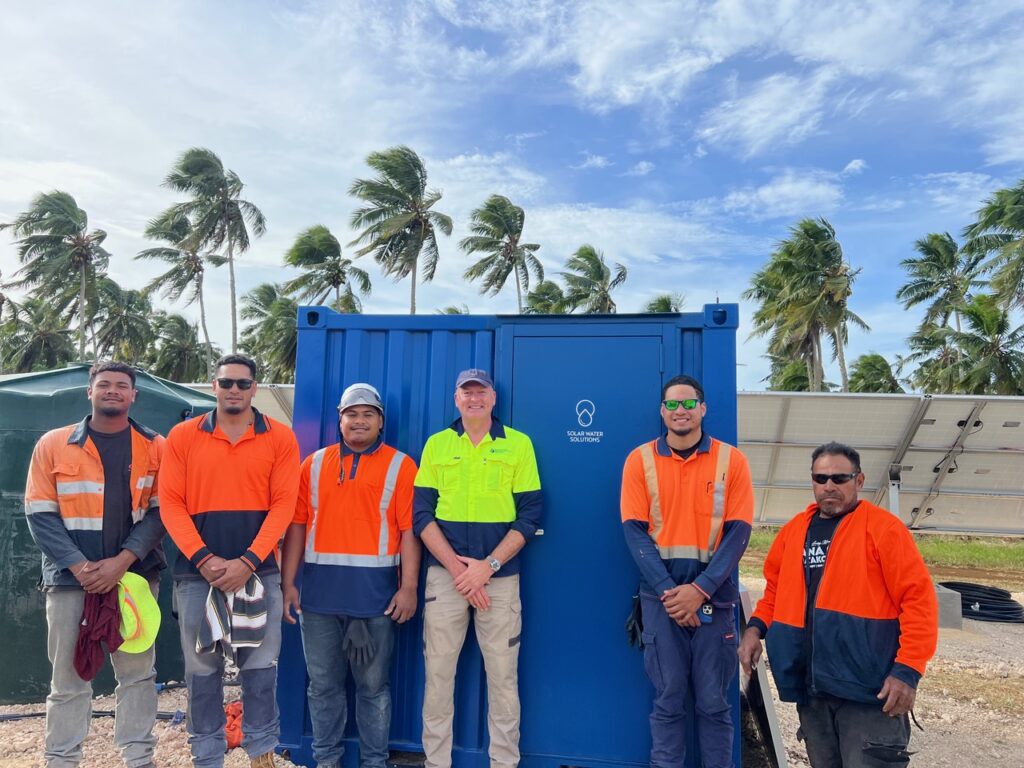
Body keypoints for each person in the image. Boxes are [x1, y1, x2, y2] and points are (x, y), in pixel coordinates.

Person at [738, 442, 939, 768]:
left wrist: (908, 671)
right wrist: (755, 629)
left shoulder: (884, 530)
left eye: (839, 478)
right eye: (821, 478)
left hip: (869, 694)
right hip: (812, 691)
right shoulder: (793, 533)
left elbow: (919, 602)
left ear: (859, 481)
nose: (829, 486)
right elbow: (775, 591)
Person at [160, 354, 300, 768]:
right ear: (214, 385)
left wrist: (249, 561)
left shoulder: (280, 438)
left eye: (242, 383)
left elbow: (284, 505)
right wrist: (204, 559)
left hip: (259, 574)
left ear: (255, 387)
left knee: (259, 669)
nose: (234, 390)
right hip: (196, 576)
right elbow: (170, 503)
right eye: (226, 383)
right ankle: (206, 755)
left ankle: (261, 754)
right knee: (202, 673)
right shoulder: (183, 436)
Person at [24, 361, 166, 768]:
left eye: (122, 386)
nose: (113, 391)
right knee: (67, 680)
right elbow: (39, 513)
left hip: (135, 579)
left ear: (134, 395)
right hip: (71, 583)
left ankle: (139, 758)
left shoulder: (156, 446)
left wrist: (121, 563)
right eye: (104, 385)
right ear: (90, 391)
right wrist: (80, 567)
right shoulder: (53, 444)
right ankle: (61, 759)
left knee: (138, 674)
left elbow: (162, 513)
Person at [281, 383, 420, 768]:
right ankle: (327, 760)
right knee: (323, 687)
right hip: (318, 600)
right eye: (351, 414)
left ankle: (374, 762)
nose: (359, 421)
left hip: (376, 602)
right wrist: (287, 583)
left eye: (367, 414)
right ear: (339, 420)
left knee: (373, 689)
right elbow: (295, 526)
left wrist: (408, 587)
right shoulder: (314, 464)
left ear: (380, 422)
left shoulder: (401, 465)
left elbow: (410, 531)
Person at [620, 374, 754, 768]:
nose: (681, 411)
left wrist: (700, 590)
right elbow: (633, 531)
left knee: (714, 703)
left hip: (715, 600)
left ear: (703, 408)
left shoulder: (732, 461)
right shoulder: (639, 460)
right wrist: (670, 593)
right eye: (673, 405)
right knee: (668, 700)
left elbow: (738, 533)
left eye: (689, 403)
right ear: (663, 412)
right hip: (661, 601)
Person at [413, 368, 543, 768]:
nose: (474, 399)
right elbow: (421, 515)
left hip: (498, 580)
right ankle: (437, 763)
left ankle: (504, 763)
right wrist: (459, 571)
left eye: (480, 392)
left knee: (503, 679)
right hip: (446, 577)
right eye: (466, 392)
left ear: (492, 399)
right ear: (456, 399)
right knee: (438, 678)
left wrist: (486, 567)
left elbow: (531, 514)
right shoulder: (437, 445)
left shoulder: (518, 445)